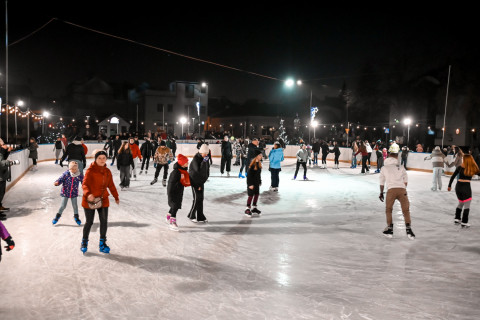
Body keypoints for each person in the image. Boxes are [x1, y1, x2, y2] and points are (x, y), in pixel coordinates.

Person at [80, 149, 120, 254]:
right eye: (99, 158)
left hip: (103, 199)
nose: (102, 160)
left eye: (104, 158)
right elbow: (84, 184)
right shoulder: (90, 170)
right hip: (90, 199)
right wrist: (88, 194)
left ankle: (102, 243)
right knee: (89, 222)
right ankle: (84, 242)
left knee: (104, 221)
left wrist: (116, 196)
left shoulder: (107, 171)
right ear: (96, 159)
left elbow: (111, 185)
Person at [379, 146, 415, 239]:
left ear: (388, 156)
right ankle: (408, 229)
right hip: (402, 189)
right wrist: (402, 189)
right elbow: (405, 180)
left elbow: (381, 183)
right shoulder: (401, 166)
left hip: (391, 190)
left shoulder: (384, 168)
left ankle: (390, 228)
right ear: (396, 157)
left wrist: (381, 193)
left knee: (389, 209)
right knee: (406, 210)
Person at [447, 154, 479, 228]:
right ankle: (464, 222)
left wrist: (449, 186)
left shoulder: (459, 167)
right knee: (467, 205)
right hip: (466, 187)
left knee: (461, 202)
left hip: (458, 187)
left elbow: (452, 176)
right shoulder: (472, 168)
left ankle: (457, 218)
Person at [52, 161, 84, 225]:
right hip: (65, 192)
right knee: (63, 206)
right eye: (72, 169)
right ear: (69, 168)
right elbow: (60, 179)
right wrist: (57, 182)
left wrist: (84, 186)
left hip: (74, 193)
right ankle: (57, 217)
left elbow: (83, 181)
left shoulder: (79, 175)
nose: (74, 170)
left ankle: (76, 217)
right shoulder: (66, 174)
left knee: (75, 206)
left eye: (75, 169)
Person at [166, 154, 190, 231]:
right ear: (182, 163)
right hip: (173, 192)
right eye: (186, 162)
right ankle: (172, 222)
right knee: (175, 206)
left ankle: (168, 216)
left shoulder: (182, 171)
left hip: (178, 191)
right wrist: (170, 195)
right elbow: (170, 184)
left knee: (175, 205)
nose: (187, 163)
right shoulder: (176, 172)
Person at [188, 143, 210, 223]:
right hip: (195, 182)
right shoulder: (196, 159)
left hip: (201, 181)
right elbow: (196, 172)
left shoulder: (205, 158)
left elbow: (206, 170)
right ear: (201, 152)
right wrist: (198, 185)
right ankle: (191, 215)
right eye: (205, 153)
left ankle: (200, 216)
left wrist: (206, 177)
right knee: (197, 198)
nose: (206, 154)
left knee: (201, 198)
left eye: (207, 153)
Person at [245, 149, 263, 217]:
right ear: (257, 156)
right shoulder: (252, 165)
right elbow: (249, 176)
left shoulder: (259, 164)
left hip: (256, 183)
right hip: (251, 183)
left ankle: (254, 208)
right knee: (251, 196)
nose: (261, 156)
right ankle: (247, 209)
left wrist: (260, 181)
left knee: (256, 195)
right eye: (260, 155)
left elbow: (258, 174)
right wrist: (250, 184)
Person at [0, 142, 14, 219]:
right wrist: (9, 162)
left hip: (2, 176)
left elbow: (3, 158)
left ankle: (0, 207)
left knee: (1, 193)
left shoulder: (1, 152)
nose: (5, 145)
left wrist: (7, 151)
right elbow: (1, 163)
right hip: (0, 177)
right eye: (3, 144)